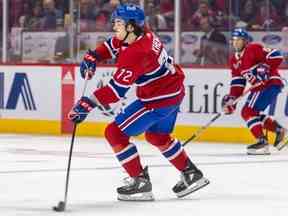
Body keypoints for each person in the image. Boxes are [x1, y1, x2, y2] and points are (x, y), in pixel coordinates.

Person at [68, 3, 209, 201]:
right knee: (157, 137)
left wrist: (87, 103)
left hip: (156, 100)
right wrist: (96, 55)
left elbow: (115, 91)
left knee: (114, 133)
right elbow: (115, 44)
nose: (114, 26)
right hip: (173, 93)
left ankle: (140, 182)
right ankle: (191, 173)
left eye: (118, 23)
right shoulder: (143, 34)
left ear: (131, 27)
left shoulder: (136, 53)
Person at [222, 28, 288, 155]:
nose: (236, 43)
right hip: (260, 87)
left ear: (245, 41)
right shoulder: (234, 61)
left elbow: (277, 55)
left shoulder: (253, 48)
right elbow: (238, 83)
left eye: (239, 40)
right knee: (252, 113)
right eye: (234, 40)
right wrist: (232, 100)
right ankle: (279, 131)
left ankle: (262, 142)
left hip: (269, 83)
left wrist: (266, 67)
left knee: (248, 111)